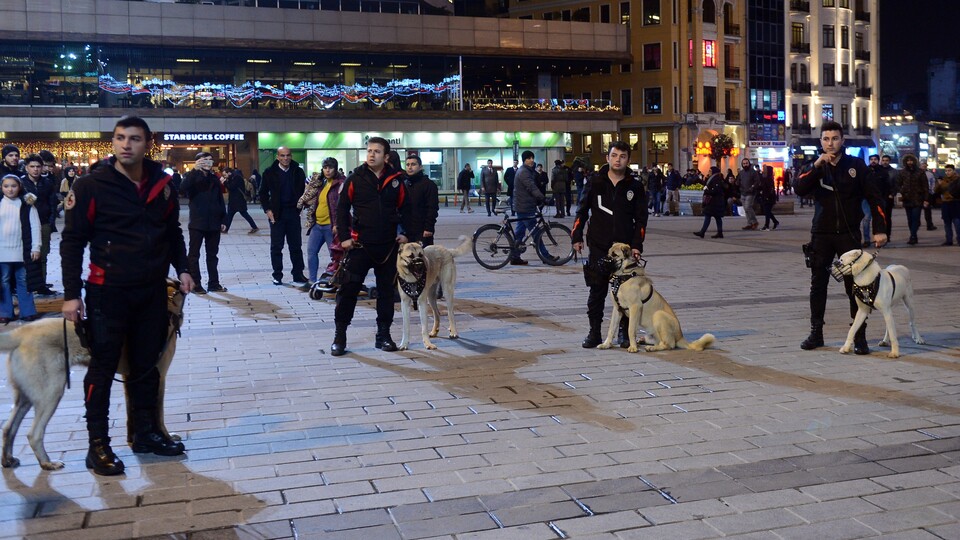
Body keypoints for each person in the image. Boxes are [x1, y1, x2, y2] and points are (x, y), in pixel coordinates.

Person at [61, 116, 193, 476]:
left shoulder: (163, 185)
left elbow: (172, 232)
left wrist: (183, 268)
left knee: (146, 365)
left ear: (147, 143)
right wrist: (72, 295)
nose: (125, 145)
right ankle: (97, 445)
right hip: (108, 292)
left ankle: (145, 433)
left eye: (134, 138)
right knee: (103, 368)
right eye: (120, 138)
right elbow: (72, 242)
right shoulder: (91, 185)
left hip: (151, 290)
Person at [794, 121, 887, 354]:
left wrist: (880, 229)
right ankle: (816, 333)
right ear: (821, 141)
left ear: (842, 141)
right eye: (826, 139)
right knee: (818, 285)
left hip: (848, 234)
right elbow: (799, 188)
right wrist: (817, 166)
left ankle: (859, 335)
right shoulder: (814, 166)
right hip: (821, 234)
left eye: (835, 139)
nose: (830, 143)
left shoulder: (856, 165)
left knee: (855, 287)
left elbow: (875, 198)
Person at [330, 137, 407, 357]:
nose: (372, 155)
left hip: (387, 247)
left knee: (386, 293)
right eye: (369, 151)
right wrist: (344, 237)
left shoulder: (396, 180)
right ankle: (340, 336)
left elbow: (407, 208)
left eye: (377, 151)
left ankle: (383, 335)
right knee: (348, 291)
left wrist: (406, 233)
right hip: (359, 245)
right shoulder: (355, 178)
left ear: (386, 156)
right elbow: (342, 209)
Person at [572, 141, 648, 349]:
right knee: (597, 291)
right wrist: (577, 236)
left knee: (626, 293)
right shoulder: (595, 182)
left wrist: (636, 245)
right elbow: (581, 211)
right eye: (614, 155)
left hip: (624, 252)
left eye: (622, 156)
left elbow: (641, 219)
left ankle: (624, 333)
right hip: (599, 247)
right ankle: (594, 332)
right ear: (607, 158)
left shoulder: (635, 186)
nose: (618, 160)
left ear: (628, 160)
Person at [180, 152, 227, 294]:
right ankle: (196, 284)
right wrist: (194, 170)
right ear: (197, 162)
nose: (207, 163)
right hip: (197, 222)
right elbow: (182, 189)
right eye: (204, 160)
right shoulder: (191, 176)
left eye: (210, 160)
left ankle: (214, 283)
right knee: (194, 255)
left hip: (214, 222)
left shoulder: (214, 178)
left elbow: (220, 200)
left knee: (212, 255)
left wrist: (223, 219)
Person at [260, 147, 307, 285]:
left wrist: (302, 206)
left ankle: (298, 274)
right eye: (282, 155)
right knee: (276, 247)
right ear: (277, 157)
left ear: (291, 156)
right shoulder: (269, 172)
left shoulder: (298, 171)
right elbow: (262, 193)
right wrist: (267, 210)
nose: (285, 158)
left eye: (288, 155)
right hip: (277, 214)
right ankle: (277, 275)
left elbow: (304, 191)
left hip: (293, 213)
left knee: (296, 246)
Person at [0, 174, 40, 324]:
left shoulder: (27, 204)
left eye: (13, 186)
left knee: (24, 280)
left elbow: (35, 226)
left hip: (22, 250)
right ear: (1, 188)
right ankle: (4, 312)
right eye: (6, 186)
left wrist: (36, 247)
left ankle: (27, 311)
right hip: (2, 250)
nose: (10, 189)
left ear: (20, 187)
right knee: (3, 281)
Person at [297, 157, 344, 285]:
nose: (327, 170)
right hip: (317, 225)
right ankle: (312, 280)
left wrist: (338, 224)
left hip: (331, 226)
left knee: (335, 255)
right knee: (311, 252)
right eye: (325, 168)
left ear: (335, 169)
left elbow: (342, 206)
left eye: (330, 168)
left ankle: (336, 281)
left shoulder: (340, 184)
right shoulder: (321, 183)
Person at [18, 153, 58, 296]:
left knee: (43, 255)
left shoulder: (47, 183)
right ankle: (27, 284)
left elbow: (53, 203)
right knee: (26, 256)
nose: (35, 169)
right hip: (25, 224)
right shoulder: (21, 183)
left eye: (38, 166)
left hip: (44, 222)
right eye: (32, 166)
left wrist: (51, 221)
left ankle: (42, 284)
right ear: (26, 168)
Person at [511, 150, 545, 266]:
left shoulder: (527, 171)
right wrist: (543, 198)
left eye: (532, 158)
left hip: (523, 205)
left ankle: (514, 256)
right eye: (529, 158)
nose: (532, 160)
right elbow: (532, 187)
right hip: (525, 207)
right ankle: (546, 256)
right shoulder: (524, 172)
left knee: (519, 233)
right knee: (536, 233)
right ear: (524, 160)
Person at [402, 154, 439, 246]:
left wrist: (428, 227)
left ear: (420, 167)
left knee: (423, 253)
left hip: (422, 230)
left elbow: (432, 208)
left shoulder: (429, 185)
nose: (410, 167)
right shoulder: (404, 184)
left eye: (413, 164)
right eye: (408, 165)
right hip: (406, 229)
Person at [897, 154, 929, 245]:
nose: (909, 162)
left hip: (918, 198)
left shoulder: (920, 172)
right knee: (910, 219)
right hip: (907, 199)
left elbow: (925, 186)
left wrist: (926, 199)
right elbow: (898, 184)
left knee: (915, 218)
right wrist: (902, 190)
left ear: (914, 161)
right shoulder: (902, 172)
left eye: (911, 160)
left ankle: (913, 236)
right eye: (908, 161)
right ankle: (913, 233)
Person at [693, 167, 726, 239]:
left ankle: (703, 232)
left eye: (710, 171)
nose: (709, 172)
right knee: (717, 217)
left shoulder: (716, 179)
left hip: (715, 201)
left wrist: (707, 191)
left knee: (708, 215)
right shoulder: (712, 178)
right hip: (715, 201)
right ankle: (719, 233)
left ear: (714, 172)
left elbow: (715, 190)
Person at [223, 166, 258, 234]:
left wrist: (224, 182)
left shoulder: (236, 177)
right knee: (231, 215)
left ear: (229, 173)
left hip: (238, 201)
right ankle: (226, 229)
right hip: (235, 201)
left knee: (242, 214)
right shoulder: (233, 177)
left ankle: (254, 227)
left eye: (225, 174)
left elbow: (231, 187)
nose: (224, 176)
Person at [933, 163, 960, 245]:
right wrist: (939, 184)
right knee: (947, 223)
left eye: (949, 170)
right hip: (945, 204)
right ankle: (949, 240)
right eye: (946, 171)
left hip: (955, 203)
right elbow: (936, 191)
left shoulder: (958, 179)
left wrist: (951, 195)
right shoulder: (943, 180)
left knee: (957, 223)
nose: (947, 172)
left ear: (954, 171)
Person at [737, 158, 760, 230]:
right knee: (746, 209)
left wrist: (752, 187)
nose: (745, 165)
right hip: (743, 192)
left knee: (748, 207)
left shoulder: (753, 172)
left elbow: (757, 181)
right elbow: (738, 180)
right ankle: (749, 223)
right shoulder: (741, 172)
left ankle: (754, 222)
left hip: (750, 193)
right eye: (744, 163)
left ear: (749, 163)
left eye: (746, 163)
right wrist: (738, 184)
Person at [879, 155, 897, 239]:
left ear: (889, 161)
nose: (885, 162)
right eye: (883, 160)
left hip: (888, 197)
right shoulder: (878, 170)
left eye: (886, 160)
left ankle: (887, 234)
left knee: (887, 217)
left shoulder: (893, 172)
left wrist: (892, 194)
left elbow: (896, 184)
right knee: (879, 217)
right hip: (879, 196)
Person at [758, 165, 780, 230]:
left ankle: (767, 225)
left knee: (767, 211)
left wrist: (767, 196)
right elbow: (762, 187)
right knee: (767, 211)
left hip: (769, 197)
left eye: (764, 169)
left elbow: (771, 189)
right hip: (764, 196)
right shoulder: (763, 178)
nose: (763, 171)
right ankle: (775, 222)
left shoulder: (769, 179)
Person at [920, 161, 938, 232]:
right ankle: (917, 224)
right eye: (922, 166)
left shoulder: (930, 174)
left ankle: (929, 225)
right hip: (918, 194)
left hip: (927, 194)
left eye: (925, 166)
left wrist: (932, 192)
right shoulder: (917, 173)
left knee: (927, 210)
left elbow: (933, 183)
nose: (924, 167)